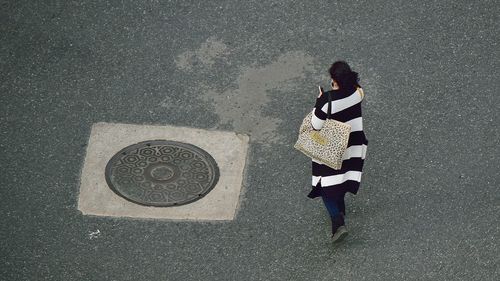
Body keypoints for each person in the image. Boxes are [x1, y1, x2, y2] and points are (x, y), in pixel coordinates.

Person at [308, 61, 369, 242]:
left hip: (334, 148)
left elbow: (315, 124)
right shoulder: (358, 93)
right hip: (352, 144)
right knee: (343, 177)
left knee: (326, 187)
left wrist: (318, 100)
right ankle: (341, 209)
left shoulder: (327, 101)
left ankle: (337, 220)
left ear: (334, 80)